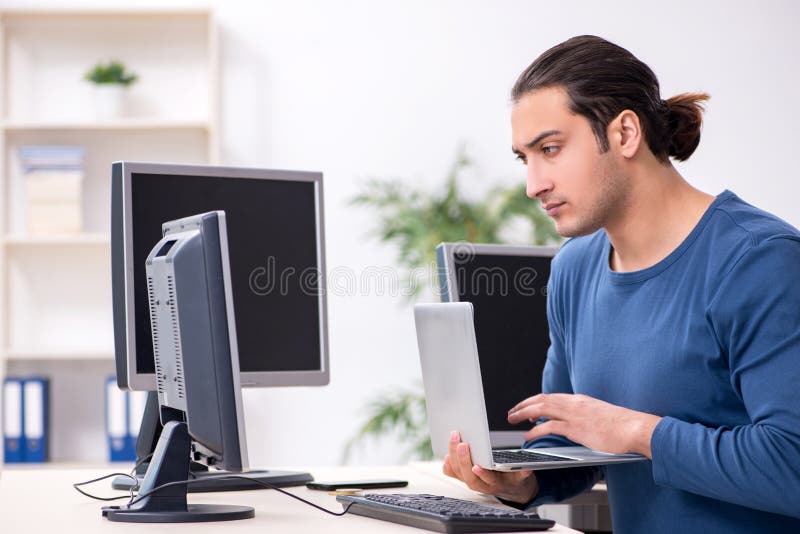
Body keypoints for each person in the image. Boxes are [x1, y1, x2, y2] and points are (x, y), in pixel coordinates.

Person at [443, 35, 800, 533]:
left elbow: (792, 465)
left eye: (550, 148)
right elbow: (574, 444)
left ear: (626, 133)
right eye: (526, 158)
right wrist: (523, 482)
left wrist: (634, 430)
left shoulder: (759, 261)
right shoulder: (574, 269)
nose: (534, 184)